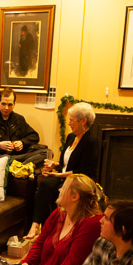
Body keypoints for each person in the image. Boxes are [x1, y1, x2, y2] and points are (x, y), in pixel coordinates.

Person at [20, 174, 103, 265]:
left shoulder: (91, 224)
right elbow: (40, 243)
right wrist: (26, 263)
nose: (59, 190)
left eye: (63, 188)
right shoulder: (58, 213)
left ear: (75, 197)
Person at [26, 102, 100, 239]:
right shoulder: (71, 137)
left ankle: (49, 232)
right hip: (64, 177)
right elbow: (65, 163)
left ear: (83, 121)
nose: (69, 123)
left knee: (52, 188)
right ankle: (36, 226)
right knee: (44, 184)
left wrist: (57, 174)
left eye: (72, 120)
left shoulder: (91, 141)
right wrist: (53, 165)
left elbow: (83, 171)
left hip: (80, 181)